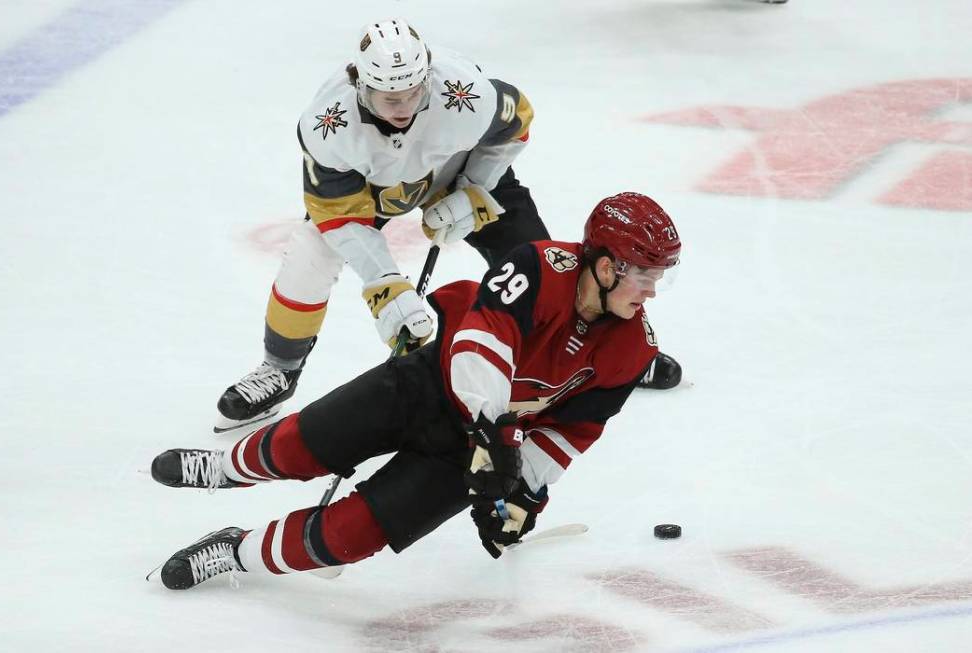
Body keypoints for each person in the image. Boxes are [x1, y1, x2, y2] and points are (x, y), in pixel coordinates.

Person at [151, 191, 682, 590]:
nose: (653, 292)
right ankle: (225, 469)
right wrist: (496, 434)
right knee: (297, 449)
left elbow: (574, 431)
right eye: (647, 276)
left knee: (346, 540)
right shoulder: (538, 267)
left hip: (473, 453)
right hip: (428, 388)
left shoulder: (634, 348)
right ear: (609, 267)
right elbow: (480, 343)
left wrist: (523, 496)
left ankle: (235, 552)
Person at [215, 18, 680, 433]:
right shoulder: (326, 125)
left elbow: (517, 123)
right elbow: (338, 213)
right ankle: (280, 366)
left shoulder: (465, 92)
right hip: (373, 191)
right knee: (311, 253)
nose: (403, 107)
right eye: (389, 97)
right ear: (359, 85)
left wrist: (474, 190)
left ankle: (616, 353)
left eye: (414, 93)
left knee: (548, 265)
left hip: (459, 172)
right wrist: (386, 287)